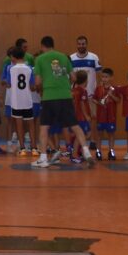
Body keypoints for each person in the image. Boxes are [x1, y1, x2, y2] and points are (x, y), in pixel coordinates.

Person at [31, 36, 94, 168]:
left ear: (42, 46)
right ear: (53, 45)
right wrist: (64, 85)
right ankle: (86, 151)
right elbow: (73, 77)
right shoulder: (64, 57)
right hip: (65, 96)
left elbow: (37, 82)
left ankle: (43, 158)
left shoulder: (40, 59)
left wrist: (40, 88)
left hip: (49, 97)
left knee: (44, 127)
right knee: (75, 125)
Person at [5, 47, 35, 155]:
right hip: (27, 100)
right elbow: (32, 86)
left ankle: (22, 149)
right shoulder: (30, 68)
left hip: (16, 101)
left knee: (19, 125)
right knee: (31, 124)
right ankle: (34, 148)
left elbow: (9, 84)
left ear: (13, 57)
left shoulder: (10, 69)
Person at [69, 35, 101, 117]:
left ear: (86, 44)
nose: (81, 46)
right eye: (79, 44)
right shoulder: (71, 58)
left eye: (83, 44)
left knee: (93, 116)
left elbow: (99, 76)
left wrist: (98, 91)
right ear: (76, 45)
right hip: (75, 95)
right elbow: (69, 77)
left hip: (91, 94)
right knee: (75, 117)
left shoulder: (94, 57)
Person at [93, 67, 119, 161]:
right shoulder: (98, 88)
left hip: (111, 116)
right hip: (101, 116)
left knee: (111, 134)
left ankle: (111, 151)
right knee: (99, 134)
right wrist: (99, 103)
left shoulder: (114, 89)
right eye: (103, 77)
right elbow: (94, 99)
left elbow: (118, 100)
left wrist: (111, 95)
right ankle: (98, 151)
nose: (104, 79)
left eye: (106, 77)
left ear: (111, 77)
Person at [70, 71, 92, 163]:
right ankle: (74, 154)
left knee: (79, 135)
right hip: (81, 117)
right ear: (85, 80)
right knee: (82, 135)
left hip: (75, 116)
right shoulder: (83, 91)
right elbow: (82, 104)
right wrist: (86, 116)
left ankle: (80, 153)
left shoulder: (73, 90)